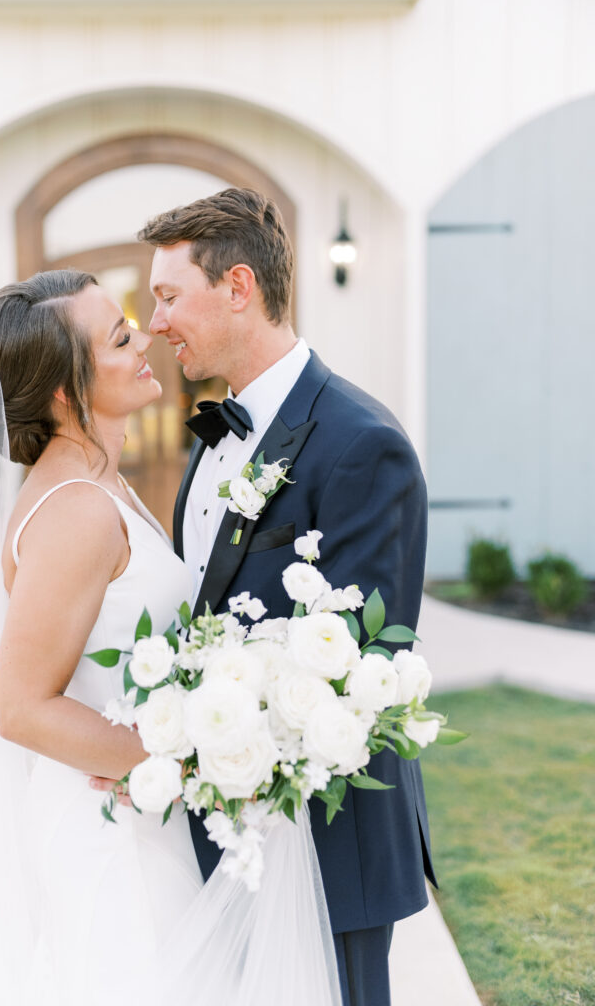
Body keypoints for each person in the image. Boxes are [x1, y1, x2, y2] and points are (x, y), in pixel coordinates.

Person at [0, 267, 342, 1006]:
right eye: (118, 337)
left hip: (134, 812)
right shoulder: (75, 510)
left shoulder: (97, 482)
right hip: (108, 834)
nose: (144, 335)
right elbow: (20, 706)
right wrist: (183, 762)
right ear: (64, 388)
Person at [136, 187, 437, 1006]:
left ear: (239, 287)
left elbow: (366, 665)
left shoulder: (361, 445)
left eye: (168, 296)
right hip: (227, 833)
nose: (156, 322)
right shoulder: (214, 440)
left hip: (327, 847)